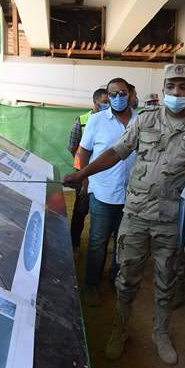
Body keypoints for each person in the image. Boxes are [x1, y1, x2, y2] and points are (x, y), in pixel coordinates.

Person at [63, 64, 185, 365]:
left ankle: (160, 332)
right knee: (126, 278)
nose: (176, 92)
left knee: (166, 280)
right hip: (135, 215)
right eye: (171, 86)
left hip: (171, 221)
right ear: (163, 90)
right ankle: (120, 329)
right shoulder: (144, 121)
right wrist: (83, 174)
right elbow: (115, 152)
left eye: (182, 87)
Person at [77, 78, 137, 307]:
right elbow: (84, 151)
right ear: (108, 96)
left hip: (132, 195)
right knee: (97, 241)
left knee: (123, 242)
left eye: (122, 93)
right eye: (113, 94)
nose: (118, 98)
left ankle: (115, 279)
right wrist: (84, 180)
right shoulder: (97, 120)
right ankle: (92, 284)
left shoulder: (140, 121)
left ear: (130, 94)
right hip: (102, 191)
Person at [67, 88, 109, 255]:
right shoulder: (82, 120)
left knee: (104, 208)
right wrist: (84, 165)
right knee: (81, 209)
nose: (108, 105)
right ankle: (74, 244)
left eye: (108, 102)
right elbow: (72, 146)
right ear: (95, 102)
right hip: (84, 173)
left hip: (105, 172)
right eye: (104, 102)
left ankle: (101, 244)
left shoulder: (111, 120)